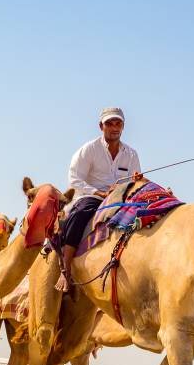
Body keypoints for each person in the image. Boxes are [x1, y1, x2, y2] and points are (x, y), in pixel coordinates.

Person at [58, 107, 142, 291]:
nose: (114, 127)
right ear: (101, 126)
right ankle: (65, 269)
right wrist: (98, 193)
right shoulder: (89, 149)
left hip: (121, 198)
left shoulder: (131, 154)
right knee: (80, 214)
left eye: (117, 123)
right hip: (92, 197)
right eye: (109, 123)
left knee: (145, 216)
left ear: (123, 126)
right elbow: (74, 179)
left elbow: (134, 180)